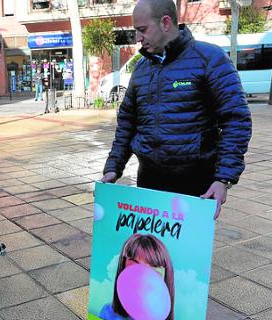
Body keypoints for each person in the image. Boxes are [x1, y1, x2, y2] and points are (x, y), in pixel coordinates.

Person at [101, 0, 252, 219]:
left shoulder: (209, 59)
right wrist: (113, 168)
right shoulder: (142, 69)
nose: (138, 38)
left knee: (188, 252)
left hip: (195, 185)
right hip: (149, 181)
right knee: (151, 251)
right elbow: (127, 123)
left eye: (142, 30)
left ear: (165, 22)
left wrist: (223, 179)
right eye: (136, 31)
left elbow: (236, 120)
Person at [99, 233, 187, 320]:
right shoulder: (107, 313)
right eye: (135, 266)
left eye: (153, 270)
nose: (142, 278)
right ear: (122, 269)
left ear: (166, 278)